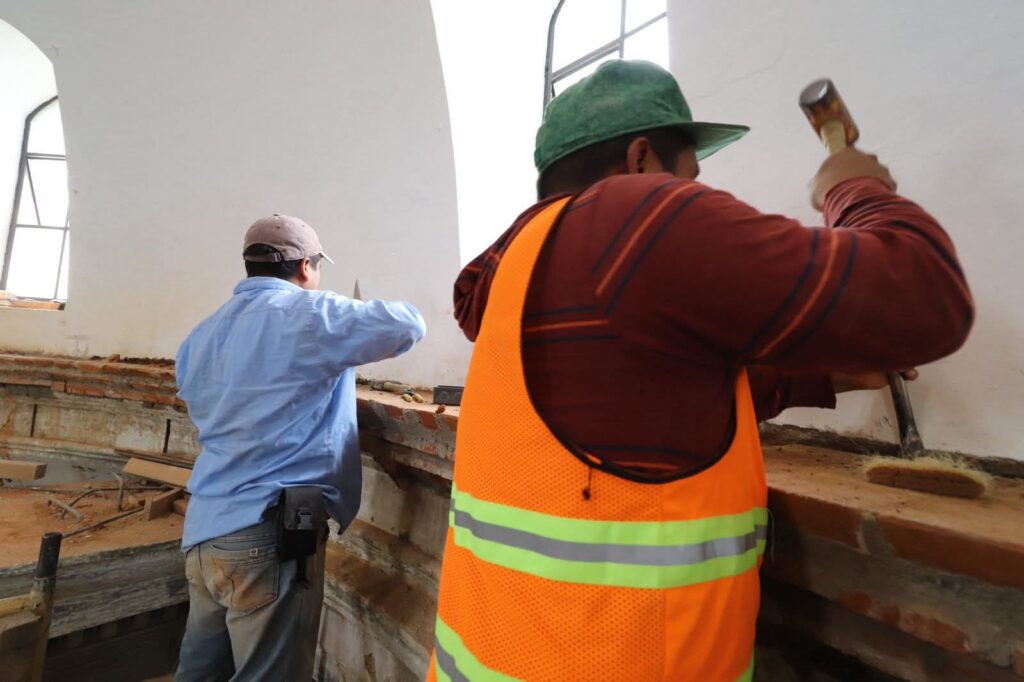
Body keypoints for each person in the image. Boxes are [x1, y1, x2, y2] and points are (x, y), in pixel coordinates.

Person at [429, 61, 972, 680]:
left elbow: (643, 394)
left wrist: (830, 376)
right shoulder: (630, 216)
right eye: (688, 176)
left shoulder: (518, 267)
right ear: (640, 161)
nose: (691, 191)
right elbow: (927, 296)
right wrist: (852, 186)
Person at [174, 214, 426, 681]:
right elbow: (407, 325)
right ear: (306, 266)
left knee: (200, 674)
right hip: (268, 536)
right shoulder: (309, 315)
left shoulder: (202, 334)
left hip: (205, 530)